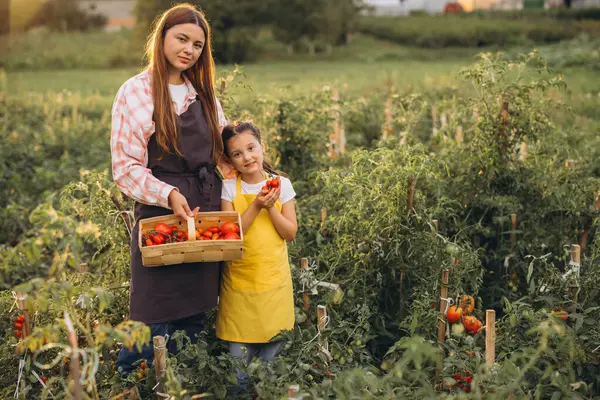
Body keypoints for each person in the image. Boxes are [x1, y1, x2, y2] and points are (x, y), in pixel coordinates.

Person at [109, 3, 231, 374]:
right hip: (161, 215)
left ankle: (181, 387)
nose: (189, 50)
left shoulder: (204, 92)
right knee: (151, 313)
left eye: (197, 44)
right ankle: (133, 385)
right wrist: (169, 195)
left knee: (192, 318)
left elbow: (224, 152)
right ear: (161, 37)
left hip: (204, 217)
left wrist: (260, 178)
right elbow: (125, 168)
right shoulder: (135, 92)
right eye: (182, 39)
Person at [216, 121, 297, 392]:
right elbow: (230, 234)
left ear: (262, 147)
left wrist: (271, 207)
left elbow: (290, 233)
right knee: (238, 372)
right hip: (239, 289)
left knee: (269, 368)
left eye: (251, 148)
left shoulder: (282, 185)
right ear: (230, 160)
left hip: (274, 286)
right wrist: (256, 205)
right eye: (237, 154)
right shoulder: (229, 188)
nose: (247, 157)